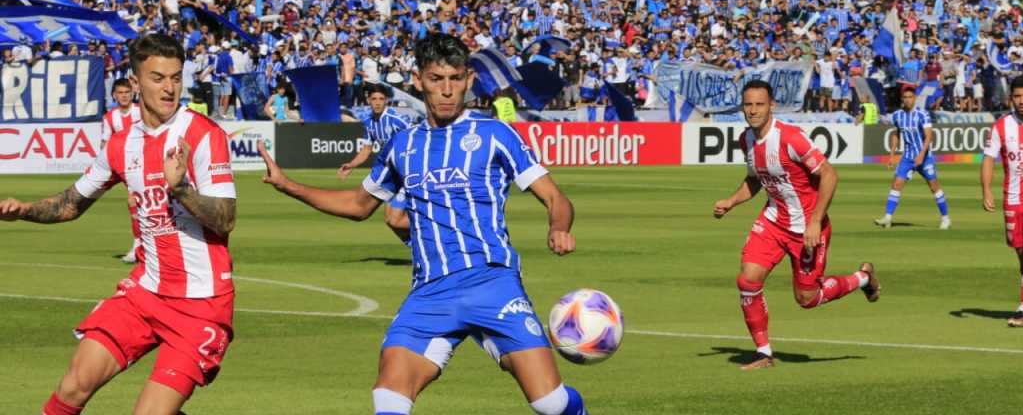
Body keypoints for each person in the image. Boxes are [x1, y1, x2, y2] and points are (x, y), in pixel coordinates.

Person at [258, 33, 587, 415]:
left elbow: (555, 197)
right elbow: (358, 204)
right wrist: (288, 185)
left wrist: (557, 227)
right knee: (388, 398)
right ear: (419, 80)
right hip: (430, 294)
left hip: (492, 284)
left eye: (455, 79)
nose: (446, 90)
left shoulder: (495, 134)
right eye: (436, 79)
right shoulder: (403, 144)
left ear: (468, 80)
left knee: (550, 403)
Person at [1, 33, 237, 415]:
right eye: (158, 78)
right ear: (135, 80)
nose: (169, 88)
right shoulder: (121, 144)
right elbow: (72, 204)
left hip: (201, 303)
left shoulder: (203, 135)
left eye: (176, 78)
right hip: (144, 293)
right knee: (73, 385)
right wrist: (23, 210)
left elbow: (225, 219)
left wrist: (180, 189)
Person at [713, 80, 880, 370]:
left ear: (771, 106)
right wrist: (731, 201)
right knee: (747, 281)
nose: (753, 111)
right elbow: (755, 179)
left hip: (807, 228)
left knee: (807, 298)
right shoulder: (746, 140)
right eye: (748, 105)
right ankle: (764, 353)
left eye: (759, 104)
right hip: (773, 221)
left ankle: (863, 278)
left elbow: (829, 174)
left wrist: (815, 221)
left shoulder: (791, 138)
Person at [336, 82, 416, 244]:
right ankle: (417, 250)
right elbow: (366, 149)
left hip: (410, 173)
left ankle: (427, 245)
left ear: (386, 100)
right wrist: (351, 165)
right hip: (395, 176)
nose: (378, 102)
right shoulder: (369, 123)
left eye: (381, 98)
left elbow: (418, 137)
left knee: (393, 218)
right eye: (374, 99)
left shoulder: (396, 120)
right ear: (369, 101)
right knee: (390, 219)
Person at [874, 87, 951, 229]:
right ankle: (888, 217)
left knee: (934, 186)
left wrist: (921, 154)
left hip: (925, 157)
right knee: (896, 184)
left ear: (914, 98)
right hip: (908, 157)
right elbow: (896, 134)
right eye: (905, 97)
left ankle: (945, 218)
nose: (907, 100)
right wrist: (891, 155)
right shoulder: (898, 115)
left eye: (910, 97)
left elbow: (929, 136)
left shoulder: (923, 114)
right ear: (902, 99)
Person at [981, 76, 1023, 328]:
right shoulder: (1000, 126)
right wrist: (986, 190)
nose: (1021, 101)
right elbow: (988, 159)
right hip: (1014, 199)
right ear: (1011, 99)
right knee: (1020, 252)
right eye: (1017, 96)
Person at [100, 78, 145, 264]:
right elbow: (105, 144)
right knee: (135, 202)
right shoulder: (110, 117)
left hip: (146, 161)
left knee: (136, 202)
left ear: (132, 93)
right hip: (126, 166)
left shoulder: (141, 111)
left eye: (127, 92)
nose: (124, 96)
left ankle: (140, 247)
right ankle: (140, 246)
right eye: (120, 93)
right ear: (114, 95)